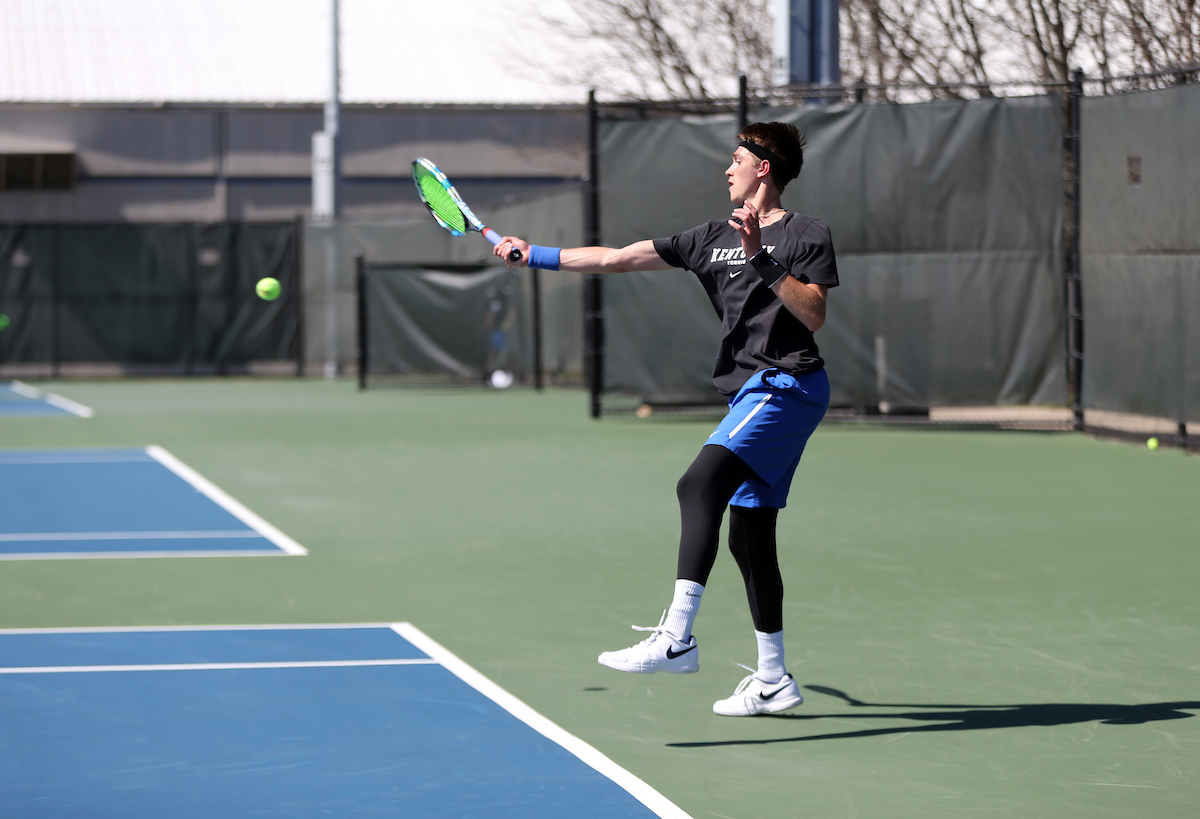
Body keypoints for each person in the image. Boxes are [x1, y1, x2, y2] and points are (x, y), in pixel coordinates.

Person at [495, 122, 838, 717]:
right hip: (750, 394)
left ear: (764, 167)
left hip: (786, 383)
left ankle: (676, 638)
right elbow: (617, 258)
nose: (726, 170)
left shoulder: (807, 233)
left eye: (736, 159)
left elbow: (812, 315)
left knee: (697, 484)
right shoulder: (708, 237)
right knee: (750, 537)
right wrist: (536, 256)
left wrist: (761, 259)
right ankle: (774, 677)